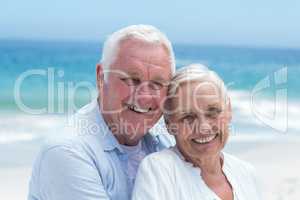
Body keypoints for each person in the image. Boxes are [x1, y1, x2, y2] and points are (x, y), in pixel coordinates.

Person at [28, 25, 176, 200]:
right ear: (101, 77)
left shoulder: (163, 142)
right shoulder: (68, 151)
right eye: (132, 80)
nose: (144, 97)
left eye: (157, 84)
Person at [132, 64, 261, 200]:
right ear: (169, 124)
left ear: (228, 110)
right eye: (188, 117)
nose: (203, 127)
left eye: (213, 112)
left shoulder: (246, 173)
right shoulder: (158, 171)